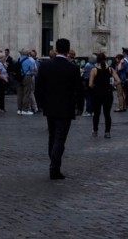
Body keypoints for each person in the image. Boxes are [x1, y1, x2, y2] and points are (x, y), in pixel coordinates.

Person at [35, 37, 84, 180]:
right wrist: (80, 106)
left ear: (56, 49)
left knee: (52, 135)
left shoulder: (45, 65)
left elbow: (39, 87)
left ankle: (53, 161)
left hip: (50, 107)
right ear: (68, 51)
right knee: (60, 138)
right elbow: (79, 90)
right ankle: (54, 167)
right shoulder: (73, 68)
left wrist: (41, 104)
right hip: (66, 108)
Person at [89, 52, 120, 138]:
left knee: (96, 113)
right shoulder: (110, 69)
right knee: (107, 114)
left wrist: (95, 86)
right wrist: (112, 85)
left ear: (97, 60)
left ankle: (95, 130)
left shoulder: (94, 70)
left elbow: (90, 84)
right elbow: (119, 81)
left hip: (97, 94)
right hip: (108, 93)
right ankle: (107, 132)